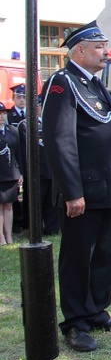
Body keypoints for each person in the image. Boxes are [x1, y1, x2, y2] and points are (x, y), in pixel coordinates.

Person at [41, 20, 111, 352]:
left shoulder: (93, 84)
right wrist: (72, 191)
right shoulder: (62, 83)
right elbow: (59, 140)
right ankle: (75, 321)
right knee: (78, 256)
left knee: (104, 252)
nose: (106, 52)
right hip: (83, 189)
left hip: (106, 186)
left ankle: (96, 311)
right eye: (99, 47)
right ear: (80, 50)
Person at [18, 95, 59, 235]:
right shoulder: (26, 124)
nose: (40, 108)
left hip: (52, 168)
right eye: (38, 105)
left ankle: (51, 228)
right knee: (37, 202)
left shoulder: (51, 121)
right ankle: (35, 229)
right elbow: (27, 149)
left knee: (51, 201)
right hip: (38, 169)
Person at [0, 102, 22, 245]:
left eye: (3, 113)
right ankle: (1, 237)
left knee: (8, 205)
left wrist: (21, 173)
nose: (2, 116)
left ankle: (9, 236)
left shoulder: (13, 130)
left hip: (11, 173)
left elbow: (18, 154)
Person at [7, 84, 27, 233]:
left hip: (30, 157)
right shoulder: (9, 116)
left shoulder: (32, 114)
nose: (22, 100)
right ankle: (17, 222)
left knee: (31, 192)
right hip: (14, 159)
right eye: (19, 97)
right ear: (14, 98)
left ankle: (28, 220)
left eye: (24, 97)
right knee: (13, 194)